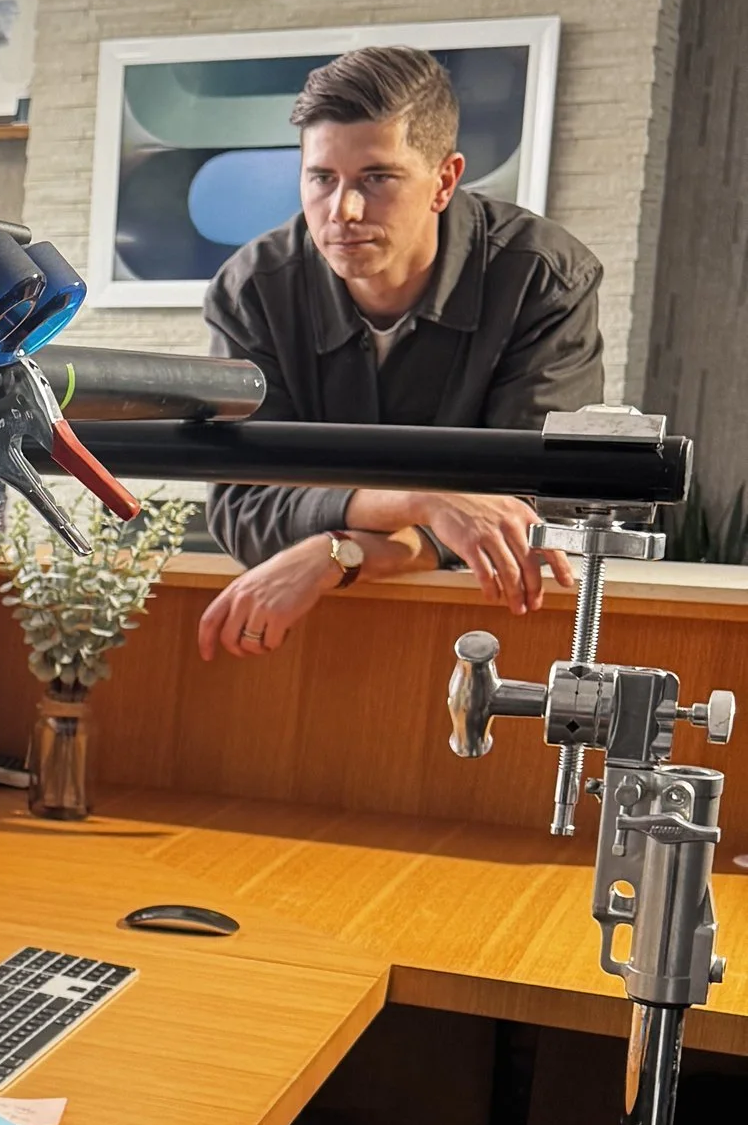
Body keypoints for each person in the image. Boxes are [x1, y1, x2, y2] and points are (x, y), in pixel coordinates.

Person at [199, 42, 602, 661]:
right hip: (312, 647)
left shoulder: (543, 279)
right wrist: (427, 503)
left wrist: (339, 552)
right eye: (322, 178)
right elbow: (242, 506)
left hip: (497, 631)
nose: (343, 211)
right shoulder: (251, 289)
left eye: (377, 178)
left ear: (444, 181)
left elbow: (531, 514)